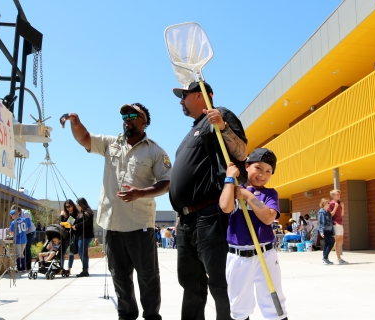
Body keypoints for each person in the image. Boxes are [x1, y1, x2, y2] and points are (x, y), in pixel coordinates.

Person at [60, 102, 171, 320]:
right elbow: (85, 138)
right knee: (120, 277)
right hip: (113, 226)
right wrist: (76, 123)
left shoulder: (155, 151)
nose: (127, 118)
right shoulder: (111, 144)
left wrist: (141, 192)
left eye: (133, 115)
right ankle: (126, 316)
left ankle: (151, 316)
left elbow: (167, 181)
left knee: (148, 278)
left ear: (144, 121)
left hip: (140, 227)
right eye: (124, 115)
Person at [169, 81, 247, 320]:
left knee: (220, 283)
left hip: (210, 216)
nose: (181, 100)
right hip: (187, 220)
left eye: (184, 95)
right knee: (190, 282)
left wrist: (222, 127)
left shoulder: (220, 115)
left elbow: (242, 153)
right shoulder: (192, 129)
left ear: (203, 95)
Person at [219, 148, 287, 320]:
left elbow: (268, 217)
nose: (262, 174)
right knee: (239, 305)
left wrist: (248, 196)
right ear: (247, 166)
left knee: (274, 302)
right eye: (258, 168)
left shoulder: (270, 194)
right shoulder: (234, 189)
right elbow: (225, 207)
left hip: (265, 254)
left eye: (268, 171)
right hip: (238, 256)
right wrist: (229, 178)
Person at [72, 197, 95, 278]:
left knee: (81, 251)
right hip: (81, 235)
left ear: (81, 204)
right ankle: (85, 270)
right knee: (83, 252)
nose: (77, 206)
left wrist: (77, 226)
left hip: (86, 235)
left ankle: (85, 270)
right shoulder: (81, 213)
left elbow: (87, 222)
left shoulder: (88, 212)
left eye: (78, 204)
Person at [11, 205, 36, 271]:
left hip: (30, 232)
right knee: (20, 250)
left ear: (19, 212)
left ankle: (28, 266)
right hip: (22, 233)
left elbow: (28, 225)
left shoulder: (26, 213)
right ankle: (22, 266)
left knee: (26, 247)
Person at [328, 189, 348, 264]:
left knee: (341, 242)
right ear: (333, 196)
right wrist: (336, 207)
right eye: (337, 194)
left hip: (340, 223)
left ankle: (327, 252)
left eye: (339, 194)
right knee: (337, 241)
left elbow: (342, 214)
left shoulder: (339, 203)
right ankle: (338, 259)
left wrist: (342, 207)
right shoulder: (331, 203)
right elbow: (331, 215)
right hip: (335, 223)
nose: (339, 195)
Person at [59, 199, 79, 275]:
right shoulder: (64, 214)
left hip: (72, 235)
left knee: (71, 253)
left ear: (72, 206)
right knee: (62, 253)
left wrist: (68, 223)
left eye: (69, 206)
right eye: (66, 207)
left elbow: (69, 224)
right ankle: (61, 268)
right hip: (64, 235)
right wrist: (61, 215)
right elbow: (60, 223)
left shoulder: (75, 214)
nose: (68, 208)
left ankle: (69, 269)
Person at [318, 198, 337, 265]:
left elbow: (331, 217)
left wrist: (335, 207)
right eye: (328, 203)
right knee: (331, 242)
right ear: (324, 204)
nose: (329, 204)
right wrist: (321, 232)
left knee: (326, 244)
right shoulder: (321, 212)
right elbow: (320, 223)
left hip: (329, 230)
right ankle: (325, 258)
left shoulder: (327, 211)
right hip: (325, 230)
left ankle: (325, 258)